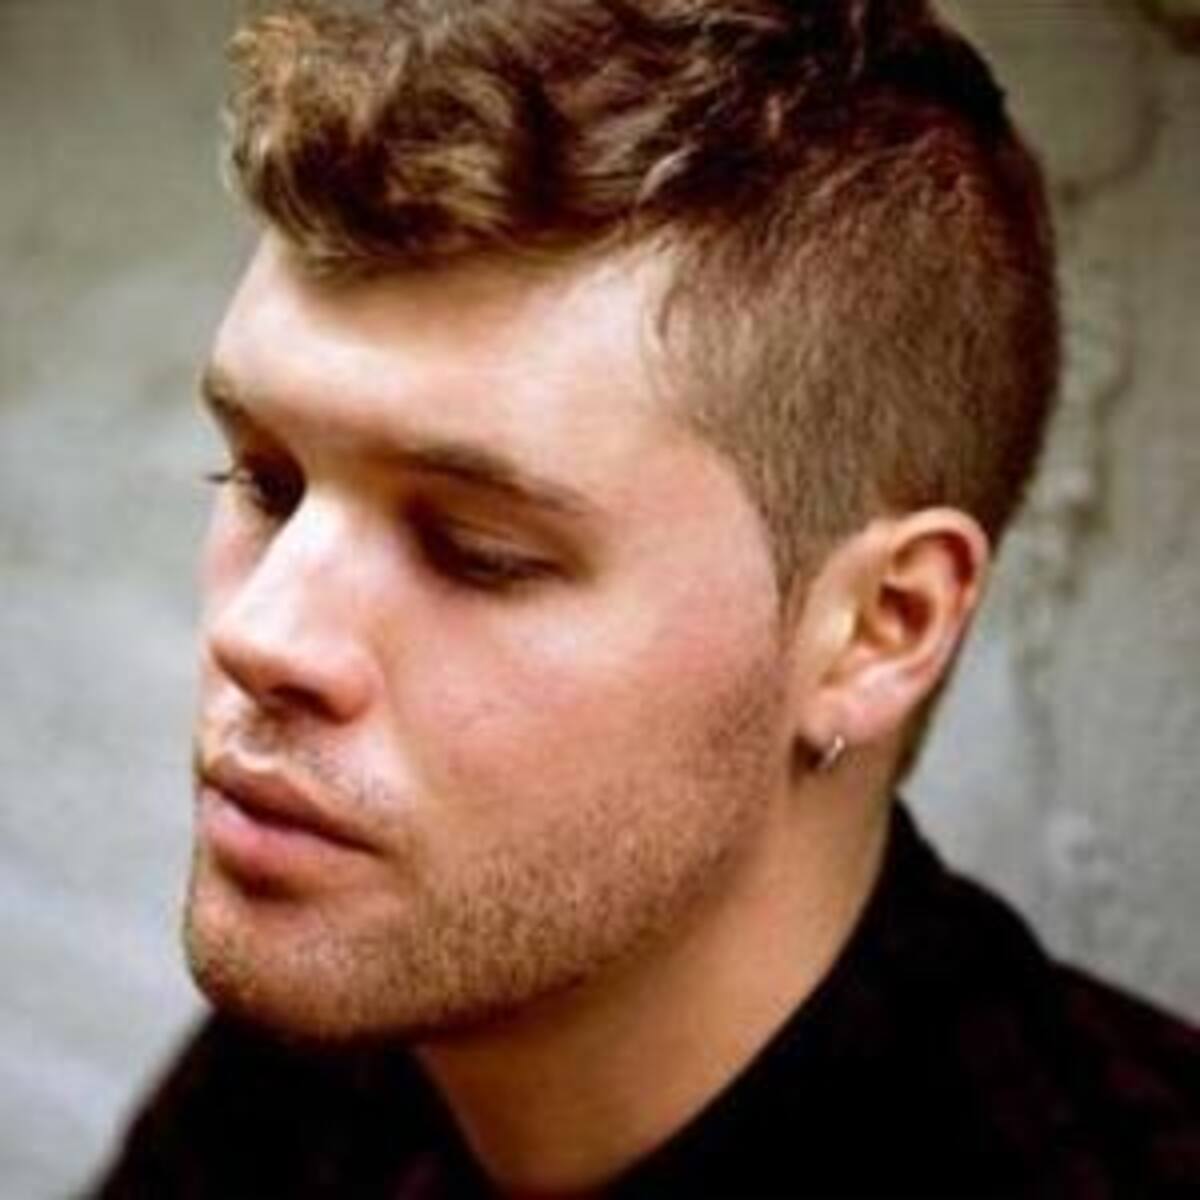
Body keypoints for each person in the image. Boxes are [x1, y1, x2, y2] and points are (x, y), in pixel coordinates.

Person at [90, 0, 1199, 1196]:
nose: (261, 634)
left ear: (882, 630)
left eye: (477, 550)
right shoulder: (315, 1062)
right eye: (266, 482)